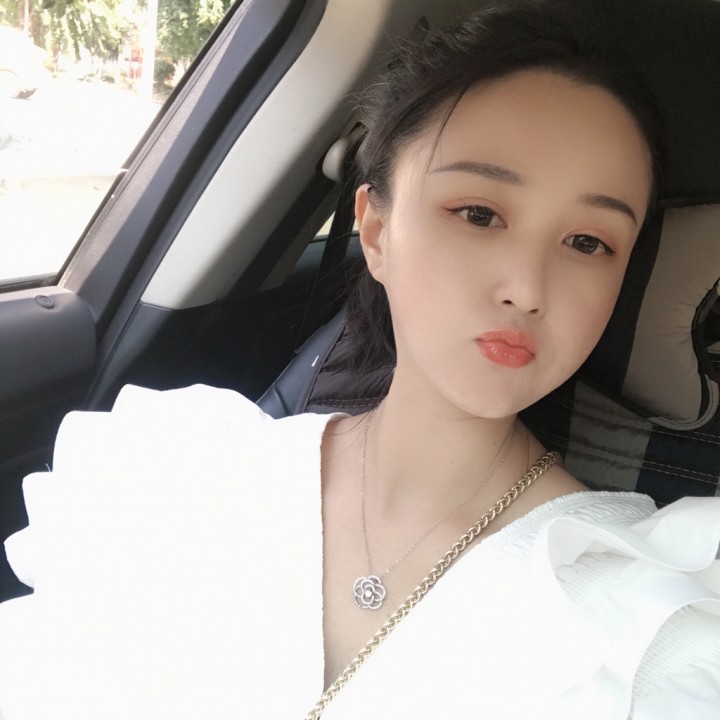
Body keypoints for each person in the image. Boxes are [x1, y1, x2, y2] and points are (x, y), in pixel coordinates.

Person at [0, 1, 719, 718]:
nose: (528, 290)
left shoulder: (643, 626)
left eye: (589, 243)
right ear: (375, 231)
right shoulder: (183, 480)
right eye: (479, 214)